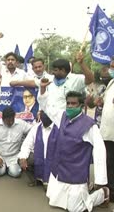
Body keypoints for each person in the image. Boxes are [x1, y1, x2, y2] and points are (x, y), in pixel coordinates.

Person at [38, 78, 109, 212]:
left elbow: (100, 151)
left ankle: (101, 194)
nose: (70, 106)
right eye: (68, 103)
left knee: (76, 209)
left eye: (74, 104)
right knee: (53, 200)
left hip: (76, 174)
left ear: (81, 106)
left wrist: (100, 179)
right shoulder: (62, 116)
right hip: (59, 170)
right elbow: (48, 107)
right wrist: (42, 89)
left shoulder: (89, 126)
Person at [18, 111, 59, 188]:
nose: (44, 116)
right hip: (39, 158)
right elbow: (27, 144)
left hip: (55, 161)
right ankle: (36, 179)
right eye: (42, 114)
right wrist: (23, 157)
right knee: (24, 159)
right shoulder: (36, 128)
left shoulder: (59, 127)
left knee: (49, 188)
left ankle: (51, 181)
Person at [0, 106, 32, 178]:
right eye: (8, 121)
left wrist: (26, 142)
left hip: (14, 156)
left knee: (15, 173)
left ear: (14, 117)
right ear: (3, 119)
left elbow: (33, 131)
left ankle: (10, 167)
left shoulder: (21, 124)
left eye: (12, 120)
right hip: (0, 155)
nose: (10, 122)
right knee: (0, 172)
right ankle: (4, 167)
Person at [99, 59, 114, 202]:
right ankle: (110, 193)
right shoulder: (111, 83)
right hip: (108, 132)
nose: (111, 69)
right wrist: (100, 102)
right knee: (108, 163)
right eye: (111, 66)